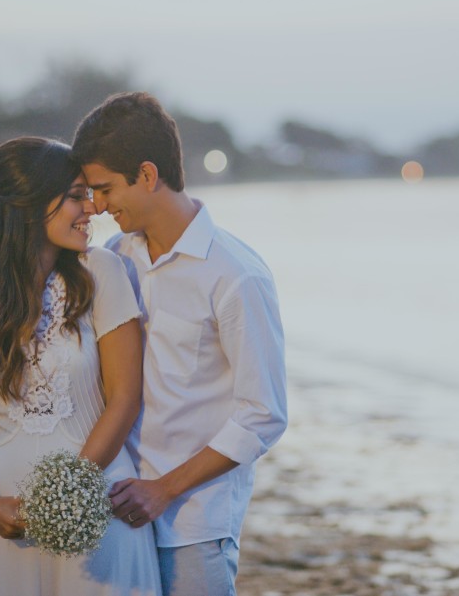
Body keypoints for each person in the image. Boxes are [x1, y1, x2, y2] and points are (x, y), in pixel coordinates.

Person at [71, 92, 288, 596]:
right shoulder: (115, 256)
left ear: (147, 175)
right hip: (115, 503)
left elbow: (263, 414)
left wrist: (163, 489)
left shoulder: (235, 275)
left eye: (104, 189)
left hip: (193, 519)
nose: (98, 207)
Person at [0, 137, 162, 596]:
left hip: (97, 503)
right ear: (29, 204)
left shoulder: (102, 274)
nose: (91, 208)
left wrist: (70, 493)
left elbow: (124, 398)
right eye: (75, 195)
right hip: (6, 522)